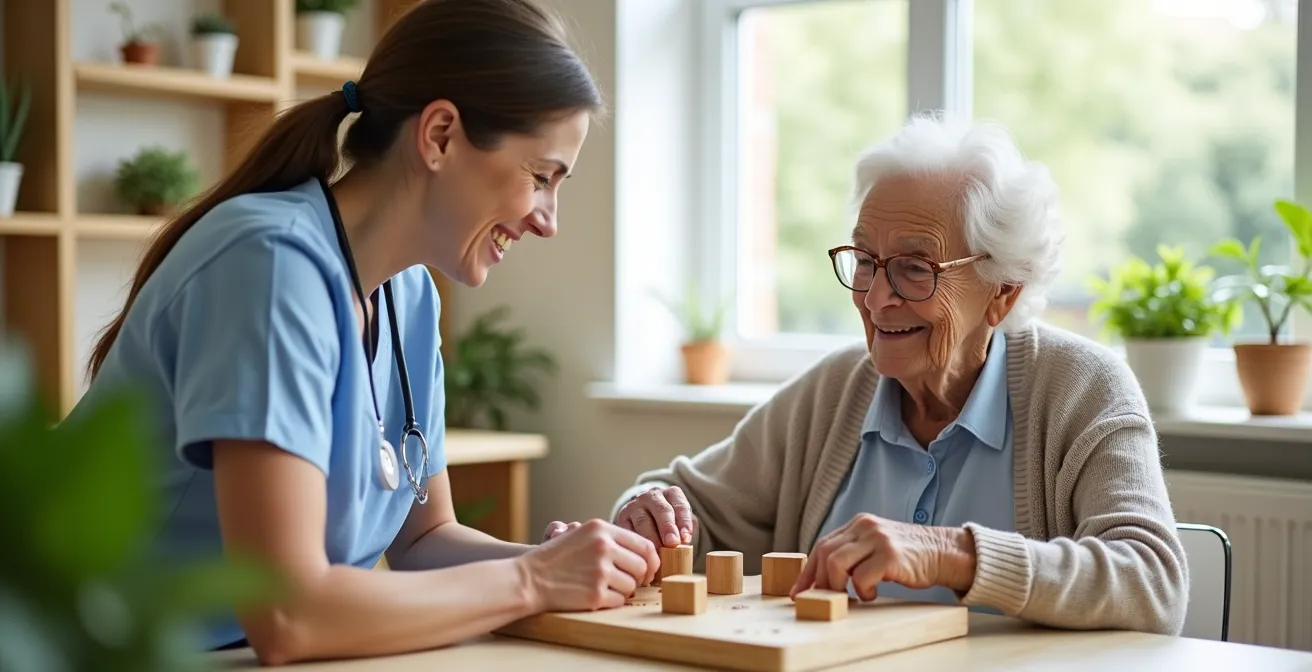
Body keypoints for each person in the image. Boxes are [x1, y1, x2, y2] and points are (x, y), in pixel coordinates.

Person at [65, 0, 658, 665]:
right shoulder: (269, 264)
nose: (548, 219)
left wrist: (572, 565)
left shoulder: (410, 297)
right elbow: (289, 614)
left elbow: (425, 541)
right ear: (439, 135)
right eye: (541, 177)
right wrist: (533, 579)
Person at [608, 114, 1189, 635]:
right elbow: (696, 507)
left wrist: (953, 554)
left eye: (915, 268)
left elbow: (1152, 582)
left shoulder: (1081, 388)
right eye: (865, 261)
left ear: (1003, 293)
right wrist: (651, 513)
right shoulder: (834, 391)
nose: (877, 297)